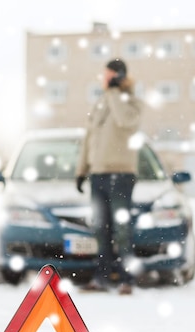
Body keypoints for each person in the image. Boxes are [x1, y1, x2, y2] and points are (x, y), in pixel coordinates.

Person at [75, 58, 142, 295]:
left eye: (108, 76)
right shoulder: (100, 103)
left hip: (121, 174)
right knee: (100, 228)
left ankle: (127, 279)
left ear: (119, 77)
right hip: (98, 174)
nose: (103, 80)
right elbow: (88, 139)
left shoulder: (131, 102)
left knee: (122, 229)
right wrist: (81, 170)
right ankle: (102, 277)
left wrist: (115, 92)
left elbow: (126, 121)